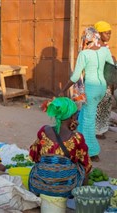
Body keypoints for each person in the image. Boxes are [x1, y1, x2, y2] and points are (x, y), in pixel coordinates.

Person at [59, 27, 114, 162]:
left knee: (88, 121)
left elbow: (75, 76)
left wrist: (62, 90)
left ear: (86, 39)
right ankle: (78, 146)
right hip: (101, 88)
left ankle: (92, 152)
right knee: (83, 116)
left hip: (90, 90)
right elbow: (111, 69)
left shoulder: (84, 54)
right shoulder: (105, 51)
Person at [29, 97, 91, 197]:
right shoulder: (77, 138)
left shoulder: (43, 131)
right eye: (75, 114)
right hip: (66, 190)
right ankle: (81, 195)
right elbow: (86, 165)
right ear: (72, 117)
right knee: (82, 166)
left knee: (38, 165)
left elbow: (34, 155)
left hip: (40, 187)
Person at [94, 21, 114, 139]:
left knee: (106, 105)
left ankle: (102, 128)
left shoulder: (106, 48)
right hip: (97, 81)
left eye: (110, 33)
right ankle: (97, 131)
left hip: (106, 80)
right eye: (106, 33)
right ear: (99, 33)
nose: (109, 36)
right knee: (98, 106)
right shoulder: (94, 47)